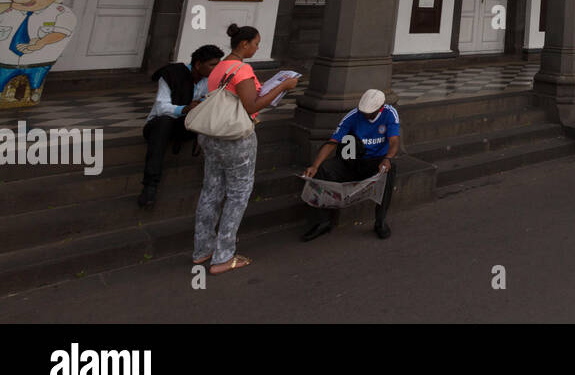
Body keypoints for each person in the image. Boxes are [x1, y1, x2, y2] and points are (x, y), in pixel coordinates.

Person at [192, 23, 300, 274]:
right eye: (255, 43)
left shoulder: (219, 67)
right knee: (238, 194)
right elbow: (252, 106)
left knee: (211, 191)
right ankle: (223, 257)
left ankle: (202, 250)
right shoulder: (242, 69)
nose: (257, 47)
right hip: (235, 137)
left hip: (211, 134)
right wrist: (283, 86)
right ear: (244, 44)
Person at [302, 89, 400, 241]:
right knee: (323, 170)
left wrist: (387, 158)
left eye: (370, 113)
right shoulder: (353, 116)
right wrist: (315, 165)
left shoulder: (390, 113)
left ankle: (380, 221)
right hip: (352, 160)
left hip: (376, 161)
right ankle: (322, 221)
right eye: (364, 112)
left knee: (389, 171)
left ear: (380, 108)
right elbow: (332, 142)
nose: (366, 115)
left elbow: (394, 141)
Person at [139, 44, 224, 208]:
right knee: (164, 121)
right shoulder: (171, 74)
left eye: (217, 65)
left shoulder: (212, 80)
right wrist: (184, 108)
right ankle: (150, 185)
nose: (216, 69)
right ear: (198, 64)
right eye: (212, 65)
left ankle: (216, 183)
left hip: (188, 126)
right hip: (159, 126)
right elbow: (161, 107)